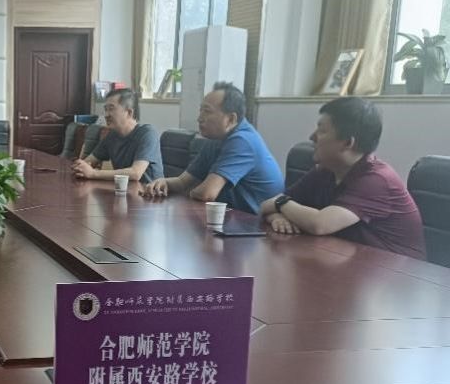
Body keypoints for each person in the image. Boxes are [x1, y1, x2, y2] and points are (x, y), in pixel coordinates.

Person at [259, 97, 425, 259]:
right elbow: (267, 206)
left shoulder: (377, 180)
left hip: (397, 272)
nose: (312, 137)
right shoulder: (325, 171)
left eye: (322, 131)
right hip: (347, 261)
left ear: (347, 143)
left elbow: (320, 224)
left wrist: (280, 205)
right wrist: (277, 216)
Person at [144, 82, 284, 214]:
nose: (199, 118)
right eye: (201, 110)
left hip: (261, 224)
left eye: (207, 111)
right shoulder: (215, 139)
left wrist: (188, 193)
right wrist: (163, 182)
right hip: (231, 219)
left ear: (231, 119)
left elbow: (207, 193)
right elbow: (182, 182)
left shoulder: (243, 141)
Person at [71, 88, 163, 185]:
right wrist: (80, 167)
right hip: (123, 190)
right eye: (105, 109)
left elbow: (136, 173)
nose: (106, 115)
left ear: (129, 113)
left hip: (148, 192)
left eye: (111, 109)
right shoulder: (112, 136)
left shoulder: (147, 133)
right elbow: (89, 161)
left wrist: (94, 173)